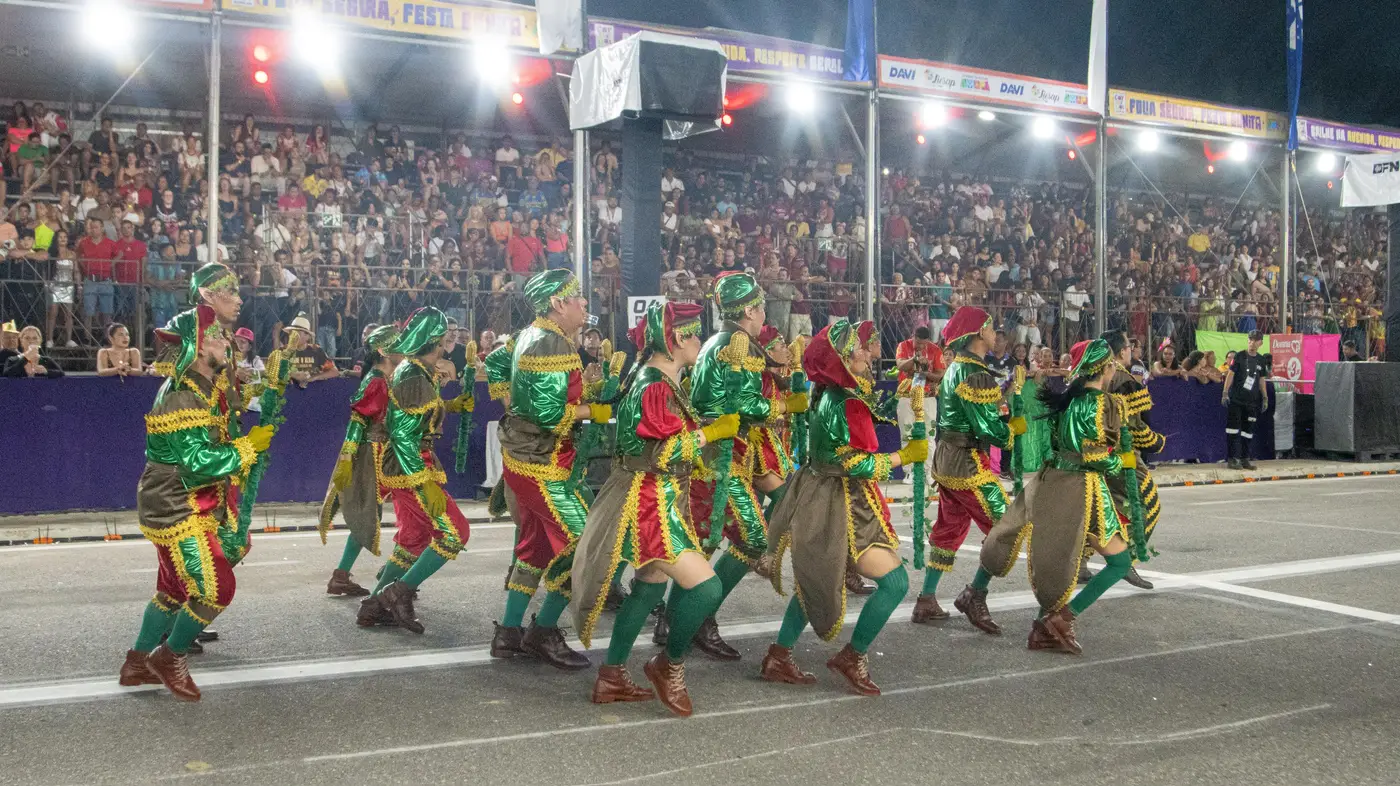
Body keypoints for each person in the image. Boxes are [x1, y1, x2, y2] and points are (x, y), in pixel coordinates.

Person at [571, 301, 737, 717]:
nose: (699, 341)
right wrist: (712, 433)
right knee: (707, 588)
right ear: (677, 338)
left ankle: (611, 676)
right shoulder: (654, 385)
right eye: (693, 333)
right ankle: (669, 665)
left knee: (648, 585)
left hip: (659, 494)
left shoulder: (661, 379)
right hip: (650, 501)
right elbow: (663, 453)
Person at [116, 305, 273, 701]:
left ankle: (137, 664)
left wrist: (263, 390)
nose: (227, 341)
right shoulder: (183, 395)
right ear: (198, 345)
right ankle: (169, 656)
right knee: (217, 588)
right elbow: (197, 462)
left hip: (187, 500)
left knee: (172, 590)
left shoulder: (203, 385)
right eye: (217, 336)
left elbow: (224, 414)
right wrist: (247, 449)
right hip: (177, 505)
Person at [761, 319, 921, 696]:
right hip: (842, 503)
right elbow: (854, 463)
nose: (867, 352)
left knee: (817, 580)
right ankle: (853, 655)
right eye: (858, 349)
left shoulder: (831, 394)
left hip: (831, 495)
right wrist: (904, 456)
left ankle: (779, 655)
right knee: (894, 582)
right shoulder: (843, 401)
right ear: (842, 360)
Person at [980, 338, 1149, 655]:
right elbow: (1094, 455)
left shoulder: (1069, 398)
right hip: (1083, 487)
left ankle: (1043, 626)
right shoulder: (1102, 403)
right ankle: (1061, 620)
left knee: (1057, 558)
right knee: (1118, 562)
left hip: (1055, 480)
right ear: (1105, 367)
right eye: (1112, 364)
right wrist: (1121, 461)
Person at [492, 270, 607, 670]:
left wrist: (588, 390)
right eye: (577, 297)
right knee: (584, 548)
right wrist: (597, 410)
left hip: (530, 460)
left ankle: (509, 632)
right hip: (543, 464)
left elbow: (514, 377)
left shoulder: (533, 335)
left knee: (536, 548)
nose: (584, 303)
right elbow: (547, 413)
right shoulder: (549, 341)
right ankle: (542, 631)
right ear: (558, 304)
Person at [686, 272, 802, 659]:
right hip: (724, 455)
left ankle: (678, 618)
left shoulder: (714, 342)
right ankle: (698, 617)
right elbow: (746, 404)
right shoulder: (740, 345)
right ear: (749, 311)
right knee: (752, 539)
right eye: (761, 306)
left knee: (704, 541)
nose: (765, 312)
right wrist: (785, 406)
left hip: (710, 452)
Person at [360, 307, 474, 633]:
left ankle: (374, 604)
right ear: (435, 340)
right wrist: (425, 484)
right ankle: (399, 593)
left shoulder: (417, 370)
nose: (448, 342)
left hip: (409, 464)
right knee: (455, 533)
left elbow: (414, 417)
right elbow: (402, 435)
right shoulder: (412, 374)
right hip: (411, 468)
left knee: (413, 539)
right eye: (445, 336)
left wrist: (449, 406)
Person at [912, 306, 1023, 631]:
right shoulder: (975, 373)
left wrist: (1005, 394)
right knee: (1007, 527)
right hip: (967, 464)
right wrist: (1012, 430)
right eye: (989, 327)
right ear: (977, 334)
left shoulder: (956, 368)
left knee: (949, 529)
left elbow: (975, 410)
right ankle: (975, 593)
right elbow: (989, 429)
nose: (994, 332)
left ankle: (926, 599)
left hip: (948, 460)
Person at [320, 324, 401, 604]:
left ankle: (346, 575)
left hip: (385, 451)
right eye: (397, 346)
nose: (403, 351)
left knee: (373, 514)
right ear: (383, 351)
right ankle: (393, 573)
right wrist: (347, 457)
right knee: (370, 513)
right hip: (373, 454)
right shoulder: (376, 380)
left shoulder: (386, 379)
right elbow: (358, 420)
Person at [1100, 330, 1164, 590]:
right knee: (1149, 503)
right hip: (1122, 458)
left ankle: (1079, 562)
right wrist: (1157, 442)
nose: (1131, 350)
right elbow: (1134, 430)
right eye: (1128, 346)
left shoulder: (1091, 376)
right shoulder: (1125, 381)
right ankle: (1126, 560)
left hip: (1094, 455)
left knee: (1099, 509)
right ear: (1121, 351)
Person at [894, 325, 946, 485]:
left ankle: (928, 472)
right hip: (907, 396)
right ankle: (909, 472)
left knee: (929, 435)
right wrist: (914, 359)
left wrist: (925, 374)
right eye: (918, 343)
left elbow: (940, 374)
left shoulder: (935, 350)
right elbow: (900, 365)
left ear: (928, 340)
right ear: (913, 337)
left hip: (928, 397)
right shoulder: (903, 346)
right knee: (907, 434)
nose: (921, 346)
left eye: (924, 344)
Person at [1223, 330, 1270, 471]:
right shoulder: (1239, 356)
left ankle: (1244, 458)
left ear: (1261, 343)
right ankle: (1232, 459)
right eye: (1250, 340)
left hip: (1252, 401)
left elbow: (1261, 380)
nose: (1252, 343)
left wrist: (1265, 397)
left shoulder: (1261, 360)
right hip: (1237, 399)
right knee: (1233, 430)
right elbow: (1230, 374)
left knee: (1247, 431)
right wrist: (1225, 392)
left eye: (1256, 340)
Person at [283, 313, 339, 384]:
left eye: (297, 334)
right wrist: (292, 374)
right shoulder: (284, 351)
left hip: (313, 389)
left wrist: (314, 378)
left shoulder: (316, 350)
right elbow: (273, 370)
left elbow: (334, 371)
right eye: (291, 333)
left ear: (308, 336)